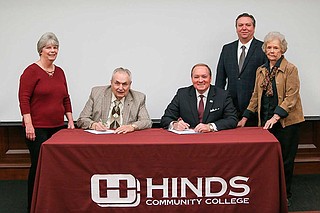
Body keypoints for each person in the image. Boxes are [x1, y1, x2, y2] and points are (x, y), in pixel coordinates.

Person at [238, 32, 305, 206]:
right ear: (265, 49)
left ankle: (286, 196)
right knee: (268, 161)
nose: (272, 51)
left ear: (282, 50)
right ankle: (270, 194)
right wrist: (245, 117)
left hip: (287, 123)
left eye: (276, 47)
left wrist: (276, 117)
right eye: (269, 47)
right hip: (266, 122)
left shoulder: (291, 69)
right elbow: (255, 96)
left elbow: (292, 97)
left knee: (285, 161)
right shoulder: (261, 70)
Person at [18, 32, 75, 211]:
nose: (53, 51)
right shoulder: (31, 71)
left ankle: (54, 204)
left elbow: (66, 98)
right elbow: (24, 98)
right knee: (39, 167)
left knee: (57, 167)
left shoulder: (60, 72)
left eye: (55, 47)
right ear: (41, 50)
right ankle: (34, 206)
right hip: (37, 129)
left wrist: (71, 122)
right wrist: (29, 124)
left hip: (58, 128)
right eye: (48, 47)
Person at [215, 13, 267, 125]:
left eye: (248, 25)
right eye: (240, 25)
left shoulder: (263, 48)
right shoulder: (227, 49)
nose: (244, 28)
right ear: (236, 28)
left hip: (255, 108)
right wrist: (218, 104)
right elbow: (220, 79)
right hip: (230, 107)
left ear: (254, 28)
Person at [160, 63, 238, 132]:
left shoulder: (222, 95)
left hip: (213, 138)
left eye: (204, 77)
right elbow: (166, 118)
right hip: (189, 140)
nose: (200, 80)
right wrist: (175, 125)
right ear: (192, 79)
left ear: (210, 78)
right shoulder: (182, 94)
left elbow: (232, 119)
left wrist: (210, 127)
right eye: (196, 77)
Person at [77, 67, 152, 133]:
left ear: (130, 84)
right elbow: (82, 119)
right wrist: (93, 125)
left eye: (124, 84)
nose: (120, 88)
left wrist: (132, 127)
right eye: (117, 83)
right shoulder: (96, 93)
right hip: (101, 138)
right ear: (111, 83)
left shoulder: (139, 98)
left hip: (124, 138)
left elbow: (146, 121)